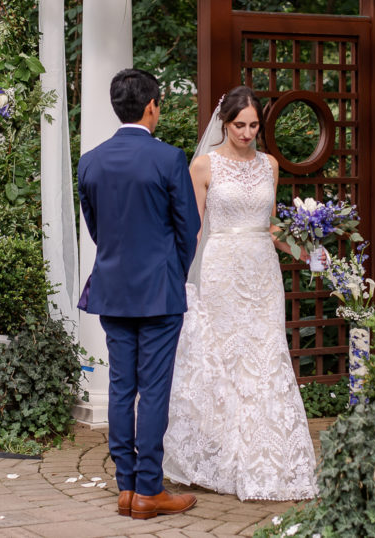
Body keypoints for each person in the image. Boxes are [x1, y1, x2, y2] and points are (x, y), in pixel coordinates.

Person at [163, 85, 319, 501]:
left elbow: (271, 226)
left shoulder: (270, 165)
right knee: (223, 357)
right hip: (220, 269)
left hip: (262, 271)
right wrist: (179, 276)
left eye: (253, 125)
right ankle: (218, 457)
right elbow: (193, 229)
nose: (247, 133)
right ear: (225, 123)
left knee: (265, 354)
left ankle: (268, 459)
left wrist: (310, 254)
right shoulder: (203, 166)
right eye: (239, 125)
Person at [77, 68, 202, 520]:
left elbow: (95, 227)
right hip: (158, 292)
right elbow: (189, 227)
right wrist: (172, 270)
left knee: (119, 385)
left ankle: (125, 488)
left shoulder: (90, 160)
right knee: (152, 391)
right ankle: (149, 490)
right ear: (151, 106)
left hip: (112, 287)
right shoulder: (169, 159)